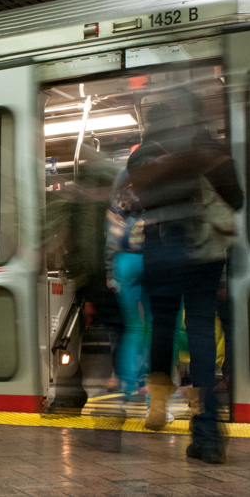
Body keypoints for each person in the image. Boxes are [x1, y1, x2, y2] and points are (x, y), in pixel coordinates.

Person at [128, 94, 242, 464]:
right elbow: (237, 200)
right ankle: (206, 428)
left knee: (161, 328)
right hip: (206, 254)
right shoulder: (209, 150)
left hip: (161, 252)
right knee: (201, 332)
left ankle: (157, 410)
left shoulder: (143, 155)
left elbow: (141, 197)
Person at [105, 165, 150, 398]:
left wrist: (110, 270)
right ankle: (148, 383)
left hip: (124, 261)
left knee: (133, 327)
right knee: (152, 324)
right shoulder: (155, 176)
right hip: (150, 257)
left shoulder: (120, 188)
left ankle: (128, 383)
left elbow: (111, 234)